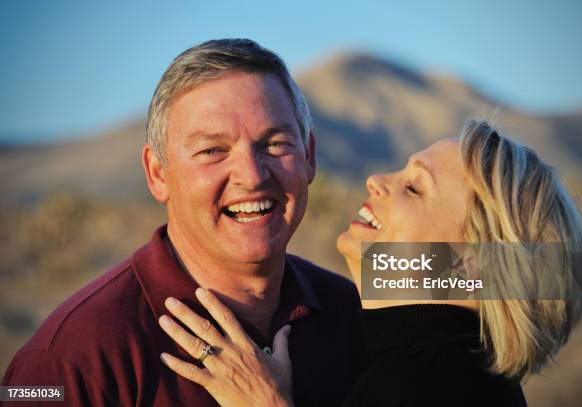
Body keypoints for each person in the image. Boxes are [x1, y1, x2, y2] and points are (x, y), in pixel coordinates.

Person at [1, 39, 363, 406]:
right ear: (158, 174)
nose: (252, 176)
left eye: (275, 144)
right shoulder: (68, 360)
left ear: (309, 157)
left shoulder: (352, 314)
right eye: (212, 151)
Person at [157, 120, 582, 406]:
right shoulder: (452, 371)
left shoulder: (424, 385)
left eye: (416, 188)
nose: (377, 181)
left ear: (468, 266)